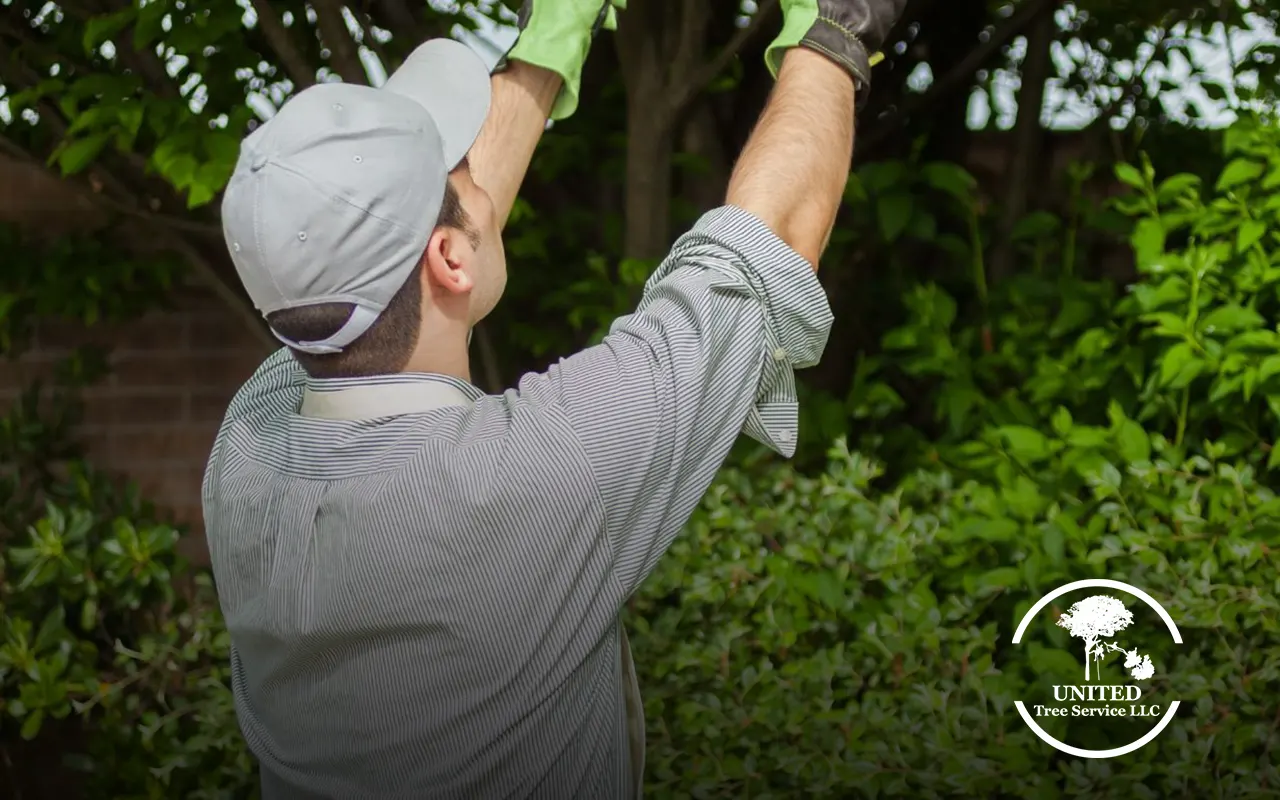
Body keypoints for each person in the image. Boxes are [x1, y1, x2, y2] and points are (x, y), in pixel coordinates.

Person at [203, 0, 906, 797]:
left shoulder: (246, 457)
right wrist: (837, 31)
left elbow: (455, 239)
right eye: (458, 169)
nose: (477, 173)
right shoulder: (543, 475)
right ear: (448, 258)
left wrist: (554, 34)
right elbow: (762, 248)